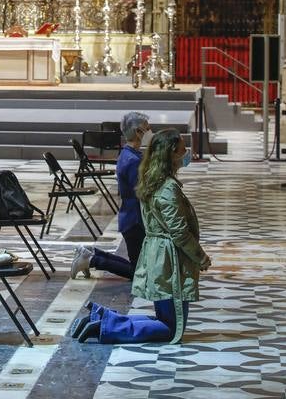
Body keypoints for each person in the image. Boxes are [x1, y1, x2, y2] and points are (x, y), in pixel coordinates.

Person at [71, 129, 211, 345]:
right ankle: (104, 327)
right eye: (183, 149)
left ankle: (100, 318)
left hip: (159, 256)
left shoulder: (153, 180)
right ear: (171, 153)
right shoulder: (167, 188)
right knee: (172, 329)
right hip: (169, 262)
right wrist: (200, 257)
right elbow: (179, 231)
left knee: (166, 321)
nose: (187, 153)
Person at [71, 111, 150, 281]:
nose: (149, 132)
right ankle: (93, 260)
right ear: (137, 132)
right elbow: (142, 190)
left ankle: (92, 254)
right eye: (147, 129)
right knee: (139, 274)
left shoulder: (130, 154)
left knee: (140, 266)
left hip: (131, 216)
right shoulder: (133, 160)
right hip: (135, 219)